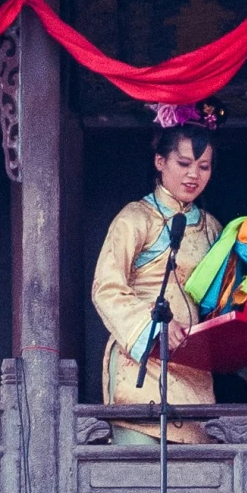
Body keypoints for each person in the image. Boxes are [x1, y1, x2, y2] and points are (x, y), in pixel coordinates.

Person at [92, 104, 222, 445]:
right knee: (141, 479)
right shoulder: (135, 218)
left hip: (193, 366)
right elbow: (107, 288)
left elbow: (220, 301)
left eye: (203, 166)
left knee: (191, 485)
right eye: (184, 163)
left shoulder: (212, 228)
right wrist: (153, 329)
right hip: (141, 363)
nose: (194, 174)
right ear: (160, 162)